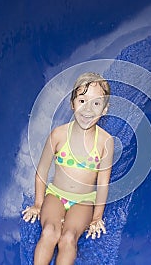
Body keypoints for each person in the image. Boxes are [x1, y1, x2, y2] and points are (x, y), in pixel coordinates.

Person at [22, 72, 114, 265]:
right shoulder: (58, 135)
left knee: (68, 237)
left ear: (105, 109)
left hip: (84, 201)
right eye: (82, 100)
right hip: (55, 195)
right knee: (49, 232)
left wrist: (97, 217)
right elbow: (42, 171)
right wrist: (39, 203)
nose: (87, 109)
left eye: (96, 103)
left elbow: (103, 184)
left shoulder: (105, 142)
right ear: (72, 103)